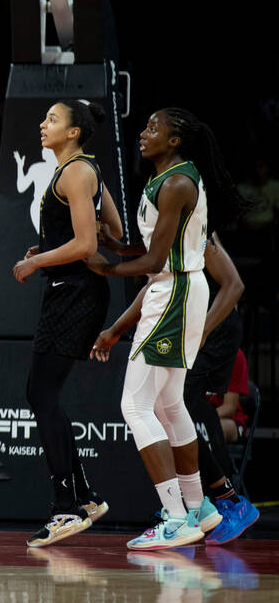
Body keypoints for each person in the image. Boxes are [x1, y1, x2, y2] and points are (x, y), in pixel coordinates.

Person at [87, 108, 246, 550]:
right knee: (171, 403)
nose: (143, 133)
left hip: (173, 294)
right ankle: (199, 507)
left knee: (136, 407)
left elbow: (156, 263)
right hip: (176, 291)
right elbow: (154, 246)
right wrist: (114, 245)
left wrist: (108, 268)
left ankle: (175, 517)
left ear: (175, 140)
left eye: (154, 128)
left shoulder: (177, 183)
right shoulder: (172, 178)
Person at [10, 101, 124, 547]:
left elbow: (88, 241)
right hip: (74, 289)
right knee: (42, 394)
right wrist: (50, 249)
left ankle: (67, 507)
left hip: (74, 293)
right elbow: (112, 227)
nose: (42, 124)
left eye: (53, 120)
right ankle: (85, 498)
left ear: (74, 132)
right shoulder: (81, 169)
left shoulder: (76, 172)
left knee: (41, 394)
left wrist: (39, 260)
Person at [99, 232, 258, 544]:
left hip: (208, 325)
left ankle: (226, 499)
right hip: (185, 317)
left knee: (176, 405)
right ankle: (202, 506)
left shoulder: (191, 215)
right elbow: (152, 286)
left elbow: (234, 285)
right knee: (170, 406)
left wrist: (202, 333)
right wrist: (119, 249)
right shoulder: (166, 222)